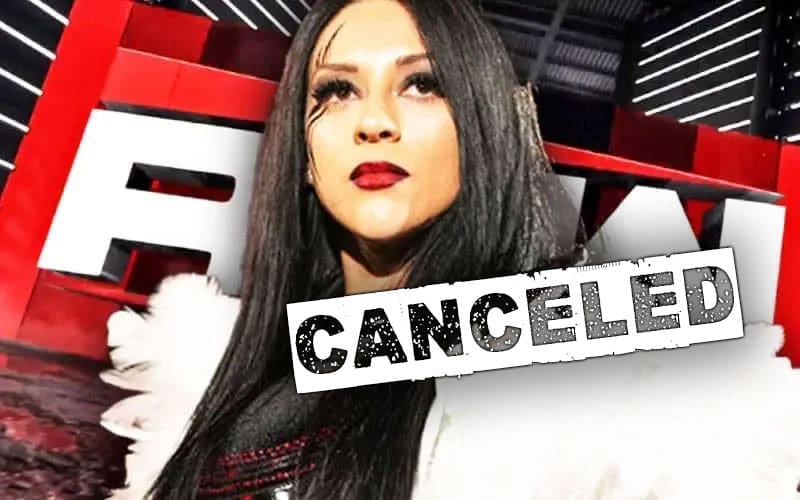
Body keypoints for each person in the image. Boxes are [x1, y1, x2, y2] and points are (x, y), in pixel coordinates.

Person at [100, 0, 800, 499]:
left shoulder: (598, 394)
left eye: (422, 84)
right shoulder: (214, 376)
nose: (375, 121)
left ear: (482, 130)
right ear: (304, 157)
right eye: (337, 91)